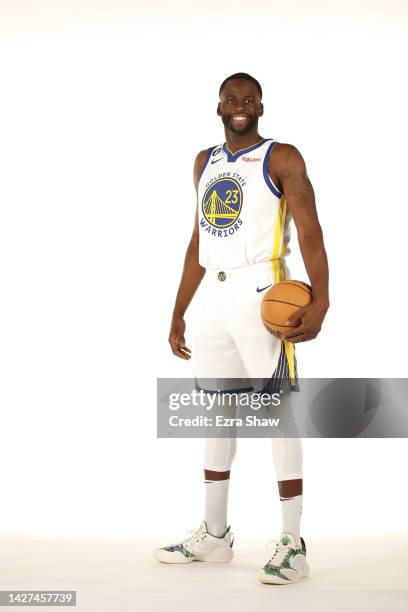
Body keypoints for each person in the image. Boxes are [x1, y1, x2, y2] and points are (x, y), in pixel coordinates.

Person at [153, 73, 329, 584]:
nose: (239, 106)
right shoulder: (203, 162)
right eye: (231, 99)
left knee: (277, 413)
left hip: (263, 291)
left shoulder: (282, 157)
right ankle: (214, 535)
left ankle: (293, 544)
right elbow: (198, 239)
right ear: (218, 106)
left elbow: (312, 229)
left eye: (248, 99)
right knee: (215, 414)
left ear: (261, 106)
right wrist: (178, 308)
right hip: (214, 295)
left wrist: (321, 300)